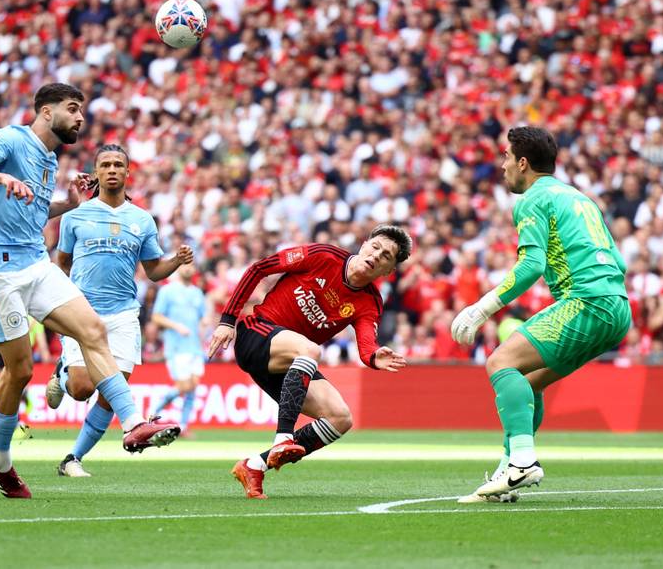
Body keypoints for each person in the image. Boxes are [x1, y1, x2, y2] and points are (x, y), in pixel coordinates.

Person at [0, 83, 178, 498]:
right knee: (19, 371)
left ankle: (134, 424)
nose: (79, 118)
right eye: (72, 109)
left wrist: (67, 206)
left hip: (35, 262)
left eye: (80, 111)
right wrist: (0, 176)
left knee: (93, 330)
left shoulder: (50, 159)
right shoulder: (11, 139)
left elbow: (34, 211)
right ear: (46, 111)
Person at [451, 127, 631, 503]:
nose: (502, 165)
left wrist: (481, 308)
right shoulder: (580, 198)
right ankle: (509, 469)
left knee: (500, 362)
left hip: (586, 301)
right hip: (617, 306)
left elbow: (531, 265)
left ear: (522, 162)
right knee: (529, 382)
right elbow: (619, 261)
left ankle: (522, 462)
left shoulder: (533, 198)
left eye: (505, 156)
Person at [207, 224, 412, 499]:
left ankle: (254, 466)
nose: (376, 255)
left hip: (291, 363)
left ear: (388, 271)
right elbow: (259, 268)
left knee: (341, 418)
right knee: (311, 351)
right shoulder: (323, 256)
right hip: (256, 335)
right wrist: (227, 320)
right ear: (364, 245)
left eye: (386, 256)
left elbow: (366, 347)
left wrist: (375, 357)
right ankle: (283, 438)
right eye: (375, 247)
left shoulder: (370, 302)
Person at [44, 143, 190, 477]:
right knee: (82, 388)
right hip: (82, 311)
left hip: (123, 314)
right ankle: (62, 374)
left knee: (110, 397)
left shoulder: (142, 219)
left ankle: (72, 459)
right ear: (96, 172)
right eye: (106, 164)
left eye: (118, 165)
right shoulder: (75, 216)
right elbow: (62, 263)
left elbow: (153, 271)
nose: (112, 169)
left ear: (127, 172)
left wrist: (176, 261)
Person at [149, 261, 208, 436]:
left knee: (193, 387)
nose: (188, 268)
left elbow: (203, 318)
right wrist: (176, 326)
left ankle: (183, 426)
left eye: (191, 265)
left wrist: (204, 325)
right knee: (184, 386)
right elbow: (156, 317)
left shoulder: (197, 293)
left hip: (195, 347)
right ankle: (152, 413)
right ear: (178, 268)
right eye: (184, 264)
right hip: (176, 348)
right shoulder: (167, 291)